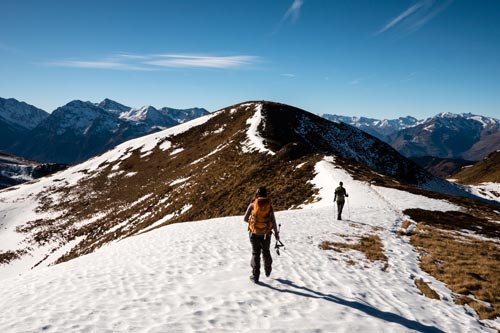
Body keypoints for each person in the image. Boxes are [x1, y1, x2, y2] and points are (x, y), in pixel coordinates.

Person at [244, 187, 279, 283]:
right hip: (266, 233)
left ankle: (255, 276)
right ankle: (267, 270)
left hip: (254, 233)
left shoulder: (252, 204)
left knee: (256, 253)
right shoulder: (269, 206)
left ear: (257, 194)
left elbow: (245, 218)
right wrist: (276, 233)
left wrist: (253, 223)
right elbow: (273, 221)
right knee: (266, 251)